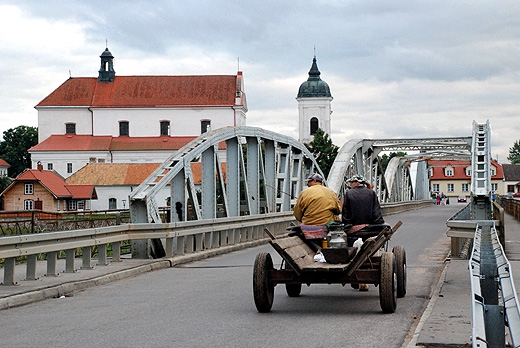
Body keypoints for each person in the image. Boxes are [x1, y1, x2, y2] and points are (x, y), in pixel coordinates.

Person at [341, 174, 384, 292]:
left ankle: (356, 276)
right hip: (370, 229)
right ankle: (366, 274)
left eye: (351, 183)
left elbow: (346, 215)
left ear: (355, 182)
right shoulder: (371, 193)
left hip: (354, 230)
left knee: (353, 251)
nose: (350, 185)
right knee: (369, 250)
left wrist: (346, 227)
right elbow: (376, 212)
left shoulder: (349, 194)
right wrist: (378, 225)